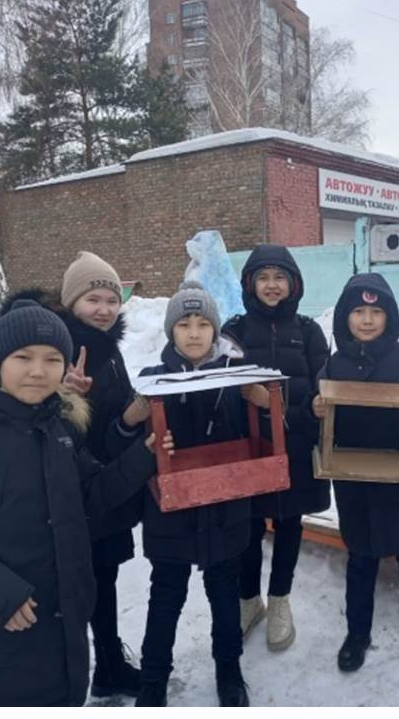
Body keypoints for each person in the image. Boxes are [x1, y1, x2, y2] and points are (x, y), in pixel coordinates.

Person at [0, 300, 166, 706]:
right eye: (23, 357)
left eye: (52, 359)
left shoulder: (59, 428)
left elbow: (91, 495)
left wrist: (144, 456)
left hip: (62, 635)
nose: (38, 371)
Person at [0, 251, 149, 698]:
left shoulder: (104, 345)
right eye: (93, 299)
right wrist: (122, 420)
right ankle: (77, 674)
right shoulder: (62, 350)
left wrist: (129, 417)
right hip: (79, 493)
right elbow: (65, 433)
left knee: (103, 580)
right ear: (71, 302)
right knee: (80, 588)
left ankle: (108, 663)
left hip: (106, 484)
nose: (104, 309)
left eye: (112, 299)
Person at [310, 273, 399, 690]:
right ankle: (357, 635)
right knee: (361, 561)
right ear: (345, 317)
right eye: (358, 311)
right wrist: (314, 410)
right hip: (357, 486)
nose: (367, 319)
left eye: (376, 312)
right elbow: (314, 415)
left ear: (389, 316)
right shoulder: (333, 365)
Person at [134, 281, 252, 707]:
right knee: (165, 596)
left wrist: (258, 402)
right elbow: (130, 437)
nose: (195, 332)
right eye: (184, 324)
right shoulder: (152, 380)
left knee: (225, 594)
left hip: (224, 510)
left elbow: (254, 431)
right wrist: (145, 436)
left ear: (215, 329)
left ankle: (229, 671)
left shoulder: (235, 377)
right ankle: (153, 682)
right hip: (172, 515)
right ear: (171, 331)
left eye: (203, 323)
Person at [221, 246, 330, 652]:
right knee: (247, 527)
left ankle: (280, 600)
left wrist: (284, 406)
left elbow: (322, 390)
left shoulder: (309, 331)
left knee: (288, 524)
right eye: (264, 277)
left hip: (295, 447)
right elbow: (216, 386)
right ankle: (249, 600)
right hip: (247, 449)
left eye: (280, 277)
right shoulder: (233, 331)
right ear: (250, 284)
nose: (272, 285)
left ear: (293, 284)